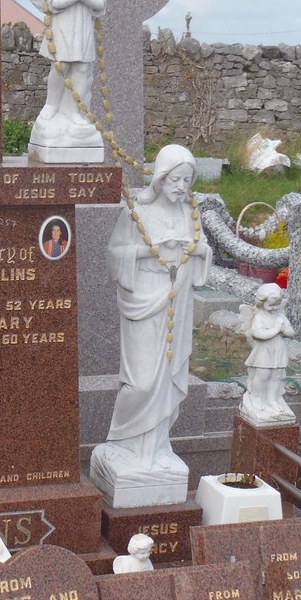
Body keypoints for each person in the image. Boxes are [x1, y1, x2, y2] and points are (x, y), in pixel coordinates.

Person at [90, 145, 212, 504]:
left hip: (177, 300)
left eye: (187, 180)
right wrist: (153, 248)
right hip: (143, 299)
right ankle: (124, 443)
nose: (181, 187)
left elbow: (203, 252)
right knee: (142, 381)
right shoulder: (137, 211)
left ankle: (157, 448)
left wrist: (195, 249)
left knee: (168, 375)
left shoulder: (190, 212)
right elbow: (115, 257)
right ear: (160, 178)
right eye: (175, 179)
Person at [36, 0, 106, 138]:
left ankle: (75, 111)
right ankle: (51, 104)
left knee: (82, 70)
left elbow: (100, 4)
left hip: (83, 32)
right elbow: (53, 3)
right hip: (63, 31)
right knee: (61, 67)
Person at [239, 283, 296, 424]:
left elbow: (291, 332)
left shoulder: (280, 315)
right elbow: (258, 334)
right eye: (271, 305)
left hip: (279, 351)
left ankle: (272, 398)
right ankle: (256, 397)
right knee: (263, 375)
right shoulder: (259, 317)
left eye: (277, 305)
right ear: (262, 303)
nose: (275, 308)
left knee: (277, 376)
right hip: (264, 352)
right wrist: (276, 329)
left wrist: (284, 330)